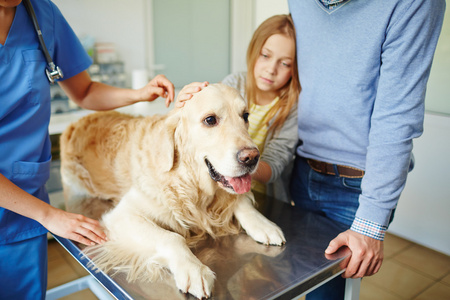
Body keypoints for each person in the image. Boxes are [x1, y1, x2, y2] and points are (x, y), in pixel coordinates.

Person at [0, 0, 174, 299]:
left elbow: (84, 91)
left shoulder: (41, 14)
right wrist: (49, 215)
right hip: (35, 210)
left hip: (25, 208)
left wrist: (140, 94)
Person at [288, 0, 445, 299]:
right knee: (289, 282)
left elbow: (396, 116)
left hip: (356, 187)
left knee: (326, 295)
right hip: (299, 169)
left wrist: (371, 224)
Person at [177, 14, 300, 203]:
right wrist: (185, 103)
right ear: (253, 50)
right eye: (265, 56)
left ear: (296, 69)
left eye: (285, 64)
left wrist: (242, 161)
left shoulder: (292, 105)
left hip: (264, 200)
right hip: (221, 196)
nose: (271, 69)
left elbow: (274, 167)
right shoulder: (234, 84)